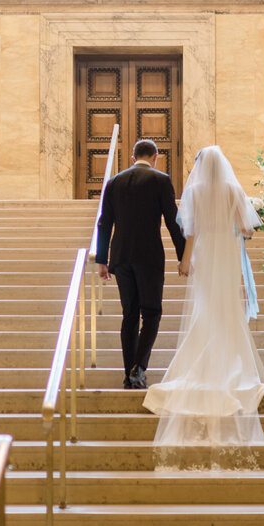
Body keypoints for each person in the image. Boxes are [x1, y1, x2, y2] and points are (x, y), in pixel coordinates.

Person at [143, 145, 264, 470]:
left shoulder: (195, 191)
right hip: (226, 257)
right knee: (226, 310)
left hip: (205, 256)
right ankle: (228, 362)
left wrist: (185, 262)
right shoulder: (232, 189)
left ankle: (201, 364)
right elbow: (246, 228)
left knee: (205, 311)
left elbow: (191, 232)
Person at [95, 139, 186, 389]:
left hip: (121, 257)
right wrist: (183, 256)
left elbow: (104, 222)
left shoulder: (114, 181)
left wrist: (102, 259)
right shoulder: (161, 180)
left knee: (130, 315)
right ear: (155, 156)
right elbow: (172, 221)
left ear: (133, 158)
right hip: (149, 257)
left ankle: (129, 373)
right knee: (152, 313)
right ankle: (139, 368)